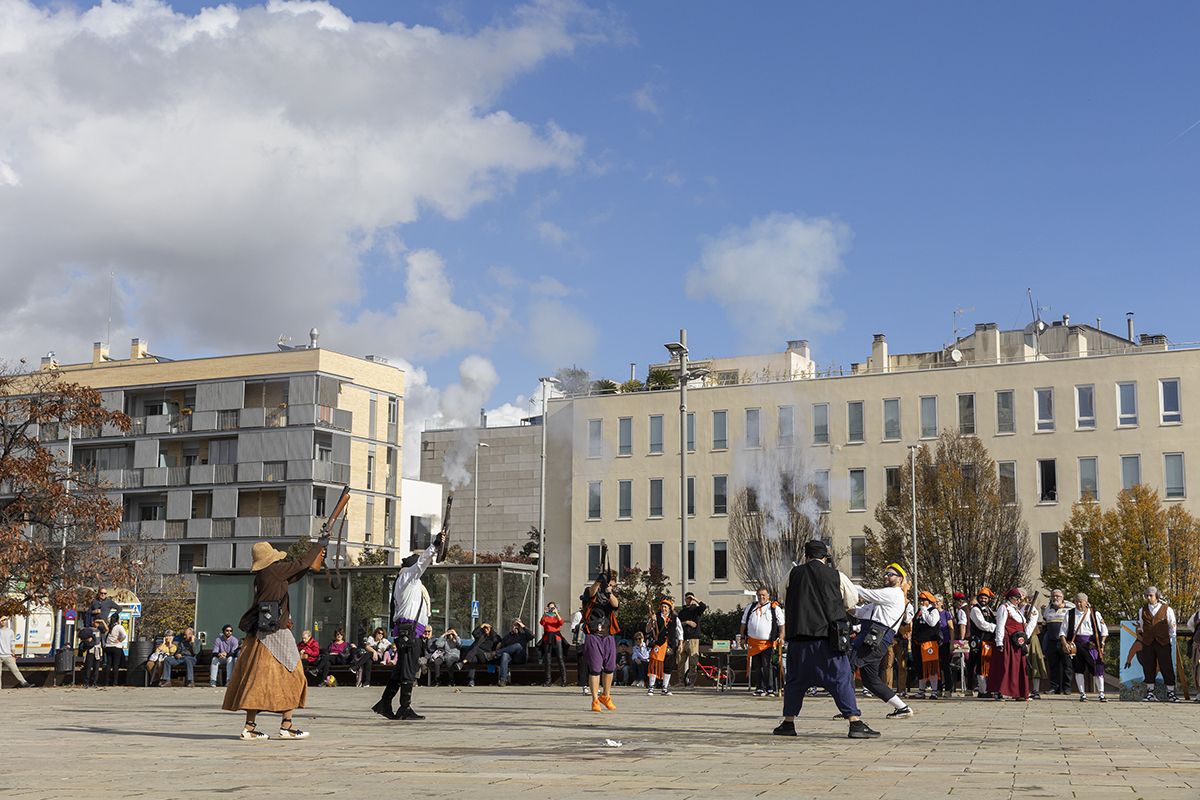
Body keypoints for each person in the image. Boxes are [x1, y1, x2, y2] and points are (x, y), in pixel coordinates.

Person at [772, 539, 879, 740]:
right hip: (828, 639)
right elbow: (851, 601)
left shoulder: (792, 574)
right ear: (825, 557)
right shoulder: (837, 575)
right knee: (841, 679)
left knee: (795, 681)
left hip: (799, 638)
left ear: (806, 556)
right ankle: (854, 722)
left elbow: (781, 594)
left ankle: (788, 723)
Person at [222, 538, 326, 740]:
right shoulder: (274, 571)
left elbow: (295, 573)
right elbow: (301, 564)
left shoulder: (264, 574)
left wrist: (315, 555)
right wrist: (318, 545)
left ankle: (250, 727)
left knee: (257, 681)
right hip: (276, 633)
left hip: (260, 635)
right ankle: (286, 725)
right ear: (271, 559)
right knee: (294, 676)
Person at [372, 529, 445, 722]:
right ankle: (404, 707)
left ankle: (385, 703)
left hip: (412, 632)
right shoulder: (407, 578)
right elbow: (422, 562)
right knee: (408, 671)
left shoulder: (410, 583)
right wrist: (435, 546)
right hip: (409, 632)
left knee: (401, 671)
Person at [852, 563, 913, 719]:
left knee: (847, 665)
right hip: (873, 638)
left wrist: (842, 582)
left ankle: (849, 709)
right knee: (871, 680)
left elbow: (865, 593)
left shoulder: (893, 593)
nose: (886, 576)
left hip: (875, 639)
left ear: (900, 579)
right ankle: (903, 708)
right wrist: (845, 605)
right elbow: (859, 612)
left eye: (890, 574)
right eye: (885, 574)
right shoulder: (883, 599)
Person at [1126, 586, 1179, 703]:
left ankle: (1170, 692)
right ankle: (1150, 692)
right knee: (1148, 666)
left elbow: (1172, 625)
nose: (1148, 598)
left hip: (1163, 642)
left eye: (1151, 595)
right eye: (1147, 595)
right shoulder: (1142, 610)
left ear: (1157, 596)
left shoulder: (1167, 609)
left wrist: (1169, 638)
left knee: (1166, 666)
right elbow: (1141, 625)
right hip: (1148, 642)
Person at [580, 568, 620, 713]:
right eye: (610, 583)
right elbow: (590, 593)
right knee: (596, 669)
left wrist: (609, 592)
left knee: (610, 667)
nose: (612, 586)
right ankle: (595, 699)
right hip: (593, 634)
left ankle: (606, 696)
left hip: (608, 634)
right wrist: (598, 581)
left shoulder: (610, 594)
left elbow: (615, 605)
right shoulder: (591, 591)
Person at [987, 589, 1037, 701]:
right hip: (1007, 641)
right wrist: (999, 642)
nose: (1018, 601)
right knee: (1004, 666)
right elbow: (1000, 625)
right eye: (1016, 598)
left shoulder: (1017, 610)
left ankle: (1019, 692)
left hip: (1017, 643)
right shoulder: (1004, 608)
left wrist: (1025, 639)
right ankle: (1000, 692)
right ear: (1010, 598)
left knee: (1018, 668)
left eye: (1019, 599)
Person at [1059, 592, 1109, 703]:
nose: (1078, 604)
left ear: (1086, 602)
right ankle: (1082, 694)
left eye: (1080, 601)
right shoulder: (1070, 614)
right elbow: (1062, 631)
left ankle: (1101, 693)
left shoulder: (1094, 614)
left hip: (1091, 645)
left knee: (1097, 667)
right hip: (1076, 645)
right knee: (1078, 669)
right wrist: (1065, 644)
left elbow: (1104, 631)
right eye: (1076, 601)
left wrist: (1102, 645)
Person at [740, 588, 785, 697]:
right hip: (753, 642)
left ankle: (770, 688)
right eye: (759, 595)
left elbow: (781, 625)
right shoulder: (750, 608)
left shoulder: (774, 608)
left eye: (763, 595)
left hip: (768, 643)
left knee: (767, 665)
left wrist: (781, 637)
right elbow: (743, 623)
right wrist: (742, 637)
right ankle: (760, 687)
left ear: (768, 596)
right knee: (757, 665)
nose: (761, 597)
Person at [646, 599, 683, 696]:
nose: (664, 609)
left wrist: (681, 644)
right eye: (662, 607)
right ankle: (651, 687)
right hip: (659, 644)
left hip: (670, 645)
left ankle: (665, 688)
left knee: (668, 666)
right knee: (654, 664)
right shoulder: (656, 617)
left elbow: (680, 631)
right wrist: (652, 621)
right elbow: (647, 629)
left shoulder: (675, 618)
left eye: (666, 607)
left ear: (670, 608)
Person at [967, 588, 997, 697]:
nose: (983, 599)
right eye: (982, 597)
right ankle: (983, 690)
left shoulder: (989, 610)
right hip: (979, 642)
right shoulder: (975, 609)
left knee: (985, 665)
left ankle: (984, 689)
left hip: (988, 642)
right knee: (980, 665)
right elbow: (981, 624)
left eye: (986, 598)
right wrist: (995, 627)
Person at [912, 591, 941, 700]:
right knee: (920, 667)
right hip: (918, 644)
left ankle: (934, 691)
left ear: (929, 602)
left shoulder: (933, 611)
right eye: (920, 601)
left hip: (930, 643)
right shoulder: (919, 612)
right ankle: (921, 690)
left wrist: (924, 611)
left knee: (931, 667)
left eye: (923, 601)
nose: (921, 603)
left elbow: (932, 623)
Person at [1040, 590, 1070, 694]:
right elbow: (1044, 626)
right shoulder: (1047, 609)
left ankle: (1067, 688)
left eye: (1058, 596)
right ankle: (1054, 687)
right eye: (1053, 596)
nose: (1055, 598)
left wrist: (1063, 605)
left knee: (1067, 665)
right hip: (1052, 640)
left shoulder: (1069, 607)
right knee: (1053, 665)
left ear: (1063, 597)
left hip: (1065, 641)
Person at [677, 592, 707, 687]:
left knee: (693, 662)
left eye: (690, 598)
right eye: (687, 598)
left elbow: (703, 607)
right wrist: (687, 622)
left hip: (693, 639)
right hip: (683, 639)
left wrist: (695, 599)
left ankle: (691, 682)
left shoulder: (696, 610)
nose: (688, 600)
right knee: (680, 661)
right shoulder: (682, 612)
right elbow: (678, 624)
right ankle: (681, 681)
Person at [495, 619, 534, 687]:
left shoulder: (523, 635)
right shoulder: (507, 636)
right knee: (504, 655)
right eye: (514, 625)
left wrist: (522, 625)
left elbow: (532, 636)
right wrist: (499, 645)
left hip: (521, 657)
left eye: (517, 625)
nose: (515, 627)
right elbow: (503, 648)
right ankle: (503, 680)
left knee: (518, 645)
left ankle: (494, 654)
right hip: (511, 659)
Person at [538, 602, 568, 687]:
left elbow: (561, 622)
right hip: (547, 638)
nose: (551, 609)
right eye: (550, 608)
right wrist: (544, 613)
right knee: (547, 660)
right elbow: (542, 623)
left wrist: (556, 613)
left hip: (556, 638)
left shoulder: (556, 616)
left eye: (553, 608)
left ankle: (564, 680)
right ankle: (548, 681)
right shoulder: (546, 616)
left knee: (560, 658)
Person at [0, 615, 33, 688]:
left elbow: (12, 643)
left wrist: (13, 654)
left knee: (15, 670)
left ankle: (24, 683)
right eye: (1, 620)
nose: (3, 622)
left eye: (4, 620)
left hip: (8, 655)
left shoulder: (10, 632)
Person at [102, 612, 128, 687]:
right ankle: (114, 682)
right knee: (115, 665)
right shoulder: (119, 627)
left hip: (108, 647)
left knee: (108, 665)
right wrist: (120, 640)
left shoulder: (109, 626)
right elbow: (124, 635)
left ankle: (106, 682)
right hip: (116, 647)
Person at [77, 621, 104, 688]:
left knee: (95, 668)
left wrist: (103, 622)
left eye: (98, 623)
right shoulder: (89, 630)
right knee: (88, 667)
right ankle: (87, 682)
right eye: (97, 622)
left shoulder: (100, 629)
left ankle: (94, 682)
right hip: (91, 650)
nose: (97, 624)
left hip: (96, 650)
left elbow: (106, 629)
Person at [570, 601, 589, 694]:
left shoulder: (595, 614)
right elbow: (573, 628)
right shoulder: (579, 614)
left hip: (592, 643)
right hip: (582, 642)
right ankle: (584, 685)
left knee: (593, 665)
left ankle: (593, 685)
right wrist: (582, 625)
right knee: (582, 665)